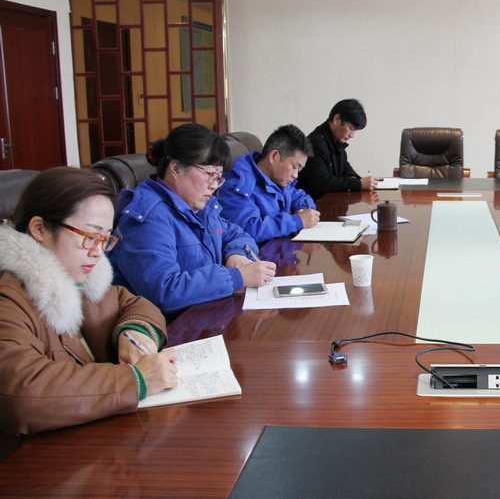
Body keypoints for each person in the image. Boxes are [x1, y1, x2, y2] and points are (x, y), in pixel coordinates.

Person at [0, 167, 178, 455]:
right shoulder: (8, 298)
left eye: (105, 239)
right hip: (35, 461)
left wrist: (135, 331)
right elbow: (22, 394)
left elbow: (134, 303)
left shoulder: (80, 276)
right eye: (90, 236)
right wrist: (136, 381)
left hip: (93, 440)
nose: (98, 252)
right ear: (39, 229)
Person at [110, 123, 277, 316]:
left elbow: (237, 234)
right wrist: (235, 277)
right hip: (171, 326)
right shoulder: (149, 218)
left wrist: (236, 254)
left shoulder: (199, 207)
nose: (214, 185)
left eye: (219, 178)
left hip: (206, 314)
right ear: (175, 168)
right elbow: (163, 291)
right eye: (210, 174)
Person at [218, 124, 321, 243]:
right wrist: (296, 221)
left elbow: (300, 195)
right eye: (294, 167)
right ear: (274, 156)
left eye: (299, 170)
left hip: (279, 247)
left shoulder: (278, 178)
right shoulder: (238, 185)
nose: (295, 175)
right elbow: (246, 229)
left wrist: (302, 209)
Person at [298, 98, 378, 200]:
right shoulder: (315, 142)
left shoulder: (336, 141)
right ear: (337, 119)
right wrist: (358, 183)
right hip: (314, 205)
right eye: (351, 128)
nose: (352, 135)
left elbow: (345, 168)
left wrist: (354, 178)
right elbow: (320, 182)